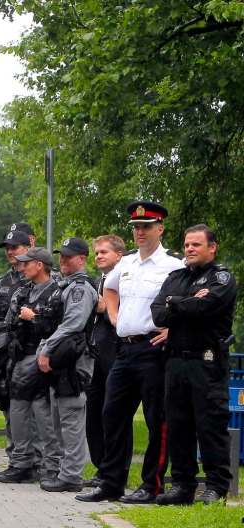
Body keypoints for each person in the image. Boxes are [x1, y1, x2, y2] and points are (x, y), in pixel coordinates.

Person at [77, 201, 183, 503]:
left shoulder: (173, 266)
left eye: (146, 226)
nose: (140, 232)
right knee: (112, 415)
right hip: (125, 348)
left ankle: (152, 485)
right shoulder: (127, 263)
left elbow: (187, 303)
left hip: (153, 349)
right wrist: (114, 316)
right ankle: (112, 482)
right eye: (136, 227)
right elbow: (109, 289)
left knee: (155, 419)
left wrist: (173, 329)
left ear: (159, 228)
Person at [151, 224, 237, 505]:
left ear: (212, 247)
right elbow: (158, 315)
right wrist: (183, 302)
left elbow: (207, 307)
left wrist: (175, 304)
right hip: (176, 360)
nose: (189, 249)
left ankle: (216, 486)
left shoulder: (221, 277)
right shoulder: (176, 277)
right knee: (179, 425)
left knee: (209, 425)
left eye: (196, 245)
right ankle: (183, 485)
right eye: (187, 245)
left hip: (207, 362)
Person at [0, 247, 62, 484]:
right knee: (18, 409)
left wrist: (34, 317)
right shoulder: (23, 292)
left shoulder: (56, 291)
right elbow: (8, 322)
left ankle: (50, 465)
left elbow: (57, 327)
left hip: (43, 356)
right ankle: (21, 462)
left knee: (43, 413)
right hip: (20, 355)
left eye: (27, 263)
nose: (22, 267)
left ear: (40, 265)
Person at [38, 238, 98, 492]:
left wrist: (46, 349)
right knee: (60, 418)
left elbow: (73, 323)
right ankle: (66, 471)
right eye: (61, 256)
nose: (62, 261)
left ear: (82, 259)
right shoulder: (66, 285)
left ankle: (72, 476)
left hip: (74, 362)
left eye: (68, 257)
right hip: (63, 361)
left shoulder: (79, 288)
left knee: (71, 419)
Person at [84, 235, 125, 487]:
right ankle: (101, 467)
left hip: (115, 351)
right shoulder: (99, 280)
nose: (98, 256)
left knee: (112, 412)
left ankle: (111, 467)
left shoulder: (124, 279)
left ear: (119, 255)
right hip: (96, 354)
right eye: (96, 252)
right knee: (94, 412)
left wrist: (105, 308)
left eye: (104, 252)